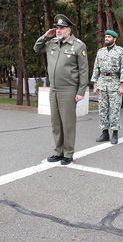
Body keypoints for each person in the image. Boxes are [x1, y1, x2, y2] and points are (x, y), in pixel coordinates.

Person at [33, 14, 88, 165]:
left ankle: (68, 153)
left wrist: (81, 91)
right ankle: (58, 151)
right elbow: (36, 48)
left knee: (68, 123)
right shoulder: (52, 43)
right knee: (55, 123)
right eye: (57, 27)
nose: (58, 30)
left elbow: (84, 70)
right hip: (54, 89)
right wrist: (45, 36)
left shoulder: (78, 45)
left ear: (69, 30)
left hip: (69, 90)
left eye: (62, 28)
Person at [91, 29, 123, 144]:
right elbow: (96, 67)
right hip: (102, 82)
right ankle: (105, 133)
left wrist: (122, 85)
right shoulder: (101, 51)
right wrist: (95, 83)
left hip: (115, 83)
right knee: (102, 109)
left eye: (109, 37)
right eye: (106, 36)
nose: (106, 38)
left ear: (114, 39)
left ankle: (115, 133)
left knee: (114, 110)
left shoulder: (121, 51)